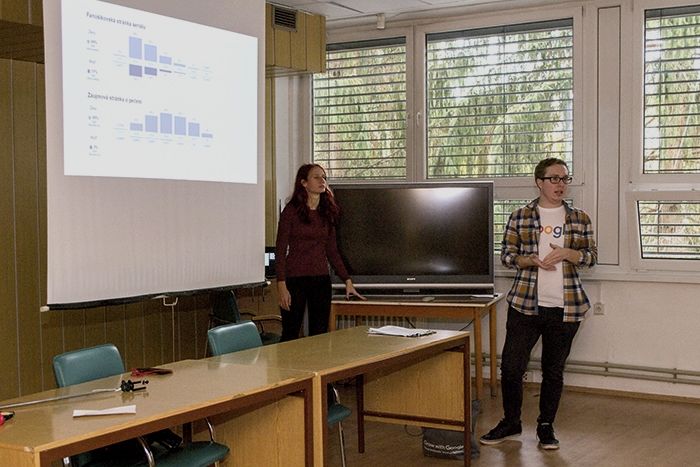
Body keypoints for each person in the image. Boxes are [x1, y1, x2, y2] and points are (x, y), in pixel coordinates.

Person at [480, 158, 597, 450]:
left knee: (553, 371)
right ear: (539, 182)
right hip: (525, 305)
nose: (561, 184)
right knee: (511, 367)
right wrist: (528, 260)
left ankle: (546, 426)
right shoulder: (520, 216)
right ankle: (511, 422)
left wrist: (569, 253)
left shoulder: (579, 218)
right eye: (554, 178)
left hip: (566, 308)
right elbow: (507, 256)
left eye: (565, 178)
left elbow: (591, 258)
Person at [275, 163, 363, 341]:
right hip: (294, 280)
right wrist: (281, 285)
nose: (322, 180)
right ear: (304, 183)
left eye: (324, 177)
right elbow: (280, 249)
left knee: (320, 333)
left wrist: (347, 279)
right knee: (291, 332)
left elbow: (332, 251)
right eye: (316, 177)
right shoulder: (290, 212)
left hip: (320, 279)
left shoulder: (326, 212)